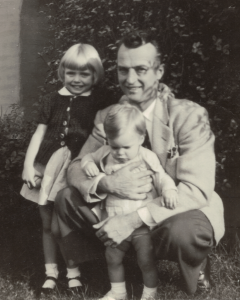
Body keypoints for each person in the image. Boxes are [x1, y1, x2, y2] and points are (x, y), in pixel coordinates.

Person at [54, 30, 225, 298]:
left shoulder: (188, 116)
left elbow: (197, 189)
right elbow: (76, 167)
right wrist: (106, 183)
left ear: (159, 72)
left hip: (171, 213)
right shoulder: (109, 117)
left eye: (141, 70)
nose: (130, 80)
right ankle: (103, 265)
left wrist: (132, 220)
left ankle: (196, 264)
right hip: (116, 207)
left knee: (186, 231)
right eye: (123, 70)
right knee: (66, 197)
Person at [20, 43, 115, 292]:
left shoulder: (100, 101)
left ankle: (74, 272)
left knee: (65, 221)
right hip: (48, 166)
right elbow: (39, 135)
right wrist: (28, 166)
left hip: (74, 168)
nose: (77, 79)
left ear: (95, 75)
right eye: (71, 73)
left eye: (85, 74)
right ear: (62, 71)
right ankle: (50, 272)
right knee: (47, 222)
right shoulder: (51, 100)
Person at [81, 103, 178, 300]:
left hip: (141, 224)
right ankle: (118, 292)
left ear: (141, 139)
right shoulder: (106, 153)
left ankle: (150, 293)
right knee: (112, 257)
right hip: (114, 221)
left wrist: (169, 189)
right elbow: (87, 157)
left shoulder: (146, 156)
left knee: (146, 260)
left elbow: (162, 177)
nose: (120, 153)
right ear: (108, 140)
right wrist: (89, 164)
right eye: (115, 146)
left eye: (126, 147)